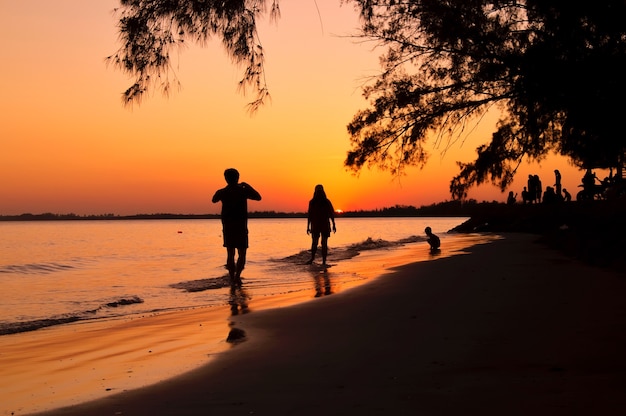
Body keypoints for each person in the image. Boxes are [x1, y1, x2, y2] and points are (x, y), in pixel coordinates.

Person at [212, 168, 261, 286]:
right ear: (237, 178)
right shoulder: (242, 191)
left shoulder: (223, 191)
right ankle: (236, 277)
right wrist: (247, 186)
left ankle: (233, 277)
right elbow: (258, 197)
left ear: (226, 178)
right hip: (239, 226)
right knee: (241, 253)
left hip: (229, 226)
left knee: (230, 253)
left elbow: (214, 199)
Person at [306, 184, 336, 266]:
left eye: (320, 191)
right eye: (318, 191)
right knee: (315, 243)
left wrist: (334, 224)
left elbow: (331, 213)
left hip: (324, 224)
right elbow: (310, 215)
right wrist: (308, 226)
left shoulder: (326, 202)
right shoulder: (312, 202)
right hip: (316, 225)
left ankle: (323, 261)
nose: (319, 193)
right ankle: (313, 259)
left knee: (323, 243)